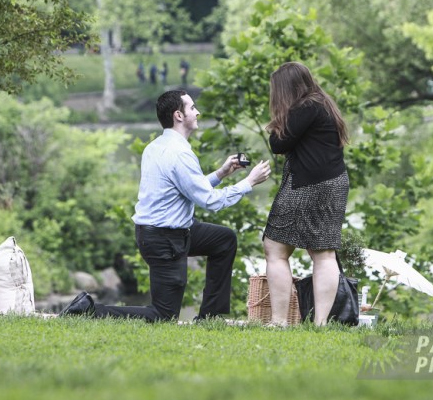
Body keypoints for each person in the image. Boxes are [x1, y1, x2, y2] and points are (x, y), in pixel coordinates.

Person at [60, 89, 271, 321]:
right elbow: (209, 201)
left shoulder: (156, 147)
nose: (197, 111)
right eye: (192, 107)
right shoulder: (179, 153)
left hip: (165, 232)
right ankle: (90, 309)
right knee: (163, 315)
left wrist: (220, 173)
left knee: (223, 240)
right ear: (178, 116)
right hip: (164, 239)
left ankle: (210, 316)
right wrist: (249, 182)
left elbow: (186, 188)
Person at [262, 62, 350, 326]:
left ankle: (279, 321)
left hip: (309, 184)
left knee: (275, 247)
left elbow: (278, 144)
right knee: (323, 252)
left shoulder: (305, 107)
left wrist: (275, 124)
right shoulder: (321, 103)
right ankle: (320, 324)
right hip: (334, 182)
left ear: (287, 88)